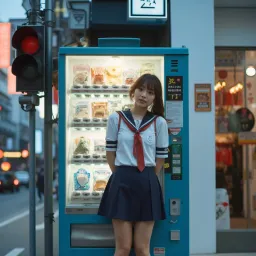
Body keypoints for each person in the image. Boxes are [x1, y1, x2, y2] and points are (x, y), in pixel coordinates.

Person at [98, 74, 169, 256]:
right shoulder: (117, 118)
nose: (144, 94)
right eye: (141, 89)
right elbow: (110, 152)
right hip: (121, 181)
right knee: (122, 248)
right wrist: (120, 174)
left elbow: (160, 158)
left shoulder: (159, 123)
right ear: (133, 91)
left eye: (150, 92)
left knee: (142, 249)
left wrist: (145, 176)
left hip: (147, 182)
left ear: (155, 98)